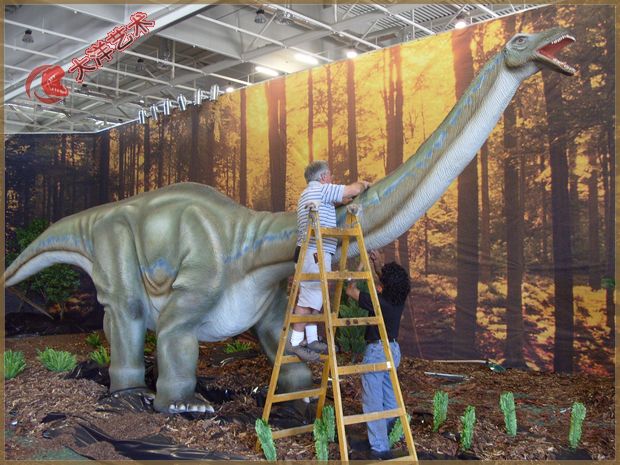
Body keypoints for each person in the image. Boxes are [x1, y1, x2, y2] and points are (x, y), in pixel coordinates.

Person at [286, 160, 371, 362]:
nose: (332, 178)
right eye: (330, 175)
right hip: (313, 252)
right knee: (309, 297)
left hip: (310, 252)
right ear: (323, 176)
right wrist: (365, 184)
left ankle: (312, 339)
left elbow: (337, 201)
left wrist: (341, 202)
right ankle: (295, 342)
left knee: (315, 295)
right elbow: (352, 190)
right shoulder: (322, 189)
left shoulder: (308, 193)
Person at [345, 250, 411, 460]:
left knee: (373, 400)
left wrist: (360, 267)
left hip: (377, 351)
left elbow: (350, 290)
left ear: (386, 285)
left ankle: (380, 447)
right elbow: (387, 280)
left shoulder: (377, 301)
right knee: (390, 397)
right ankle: (387, 436)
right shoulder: (398, 298)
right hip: (393, 350)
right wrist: (377, 264)